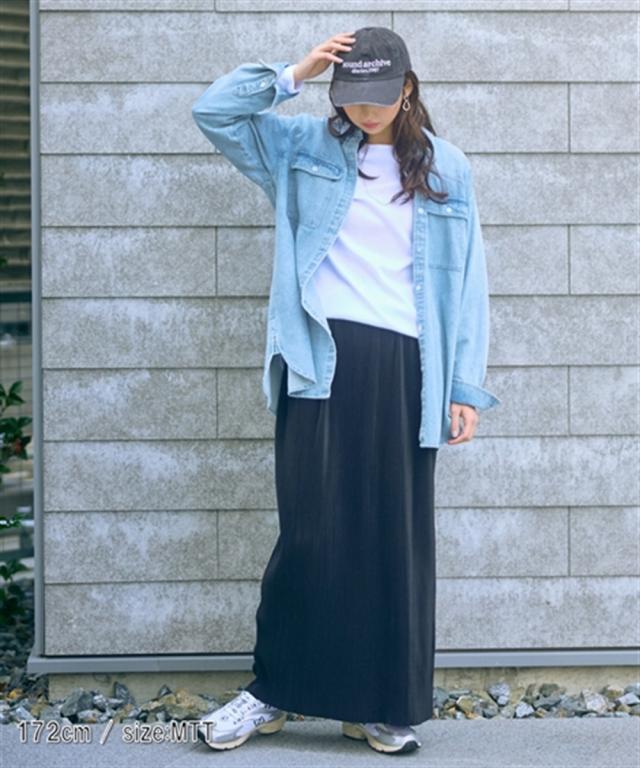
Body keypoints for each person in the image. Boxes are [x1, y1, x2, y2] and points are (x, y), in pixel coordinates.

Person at [191, 26, 500, 756]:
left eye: (381, 96)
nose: (365, 110)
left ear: (408, 89)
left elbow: (469, 284)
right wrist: (292, 74)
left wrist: (463, 386)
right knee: (311, 533)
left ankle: (379, 705)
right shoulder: (302, 148)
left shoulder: (447, 168)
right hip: (320, 359)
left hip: (408, 367)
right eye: (352, 97)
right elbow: (216, 113)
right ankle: (273, 691)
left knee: (393, 537)